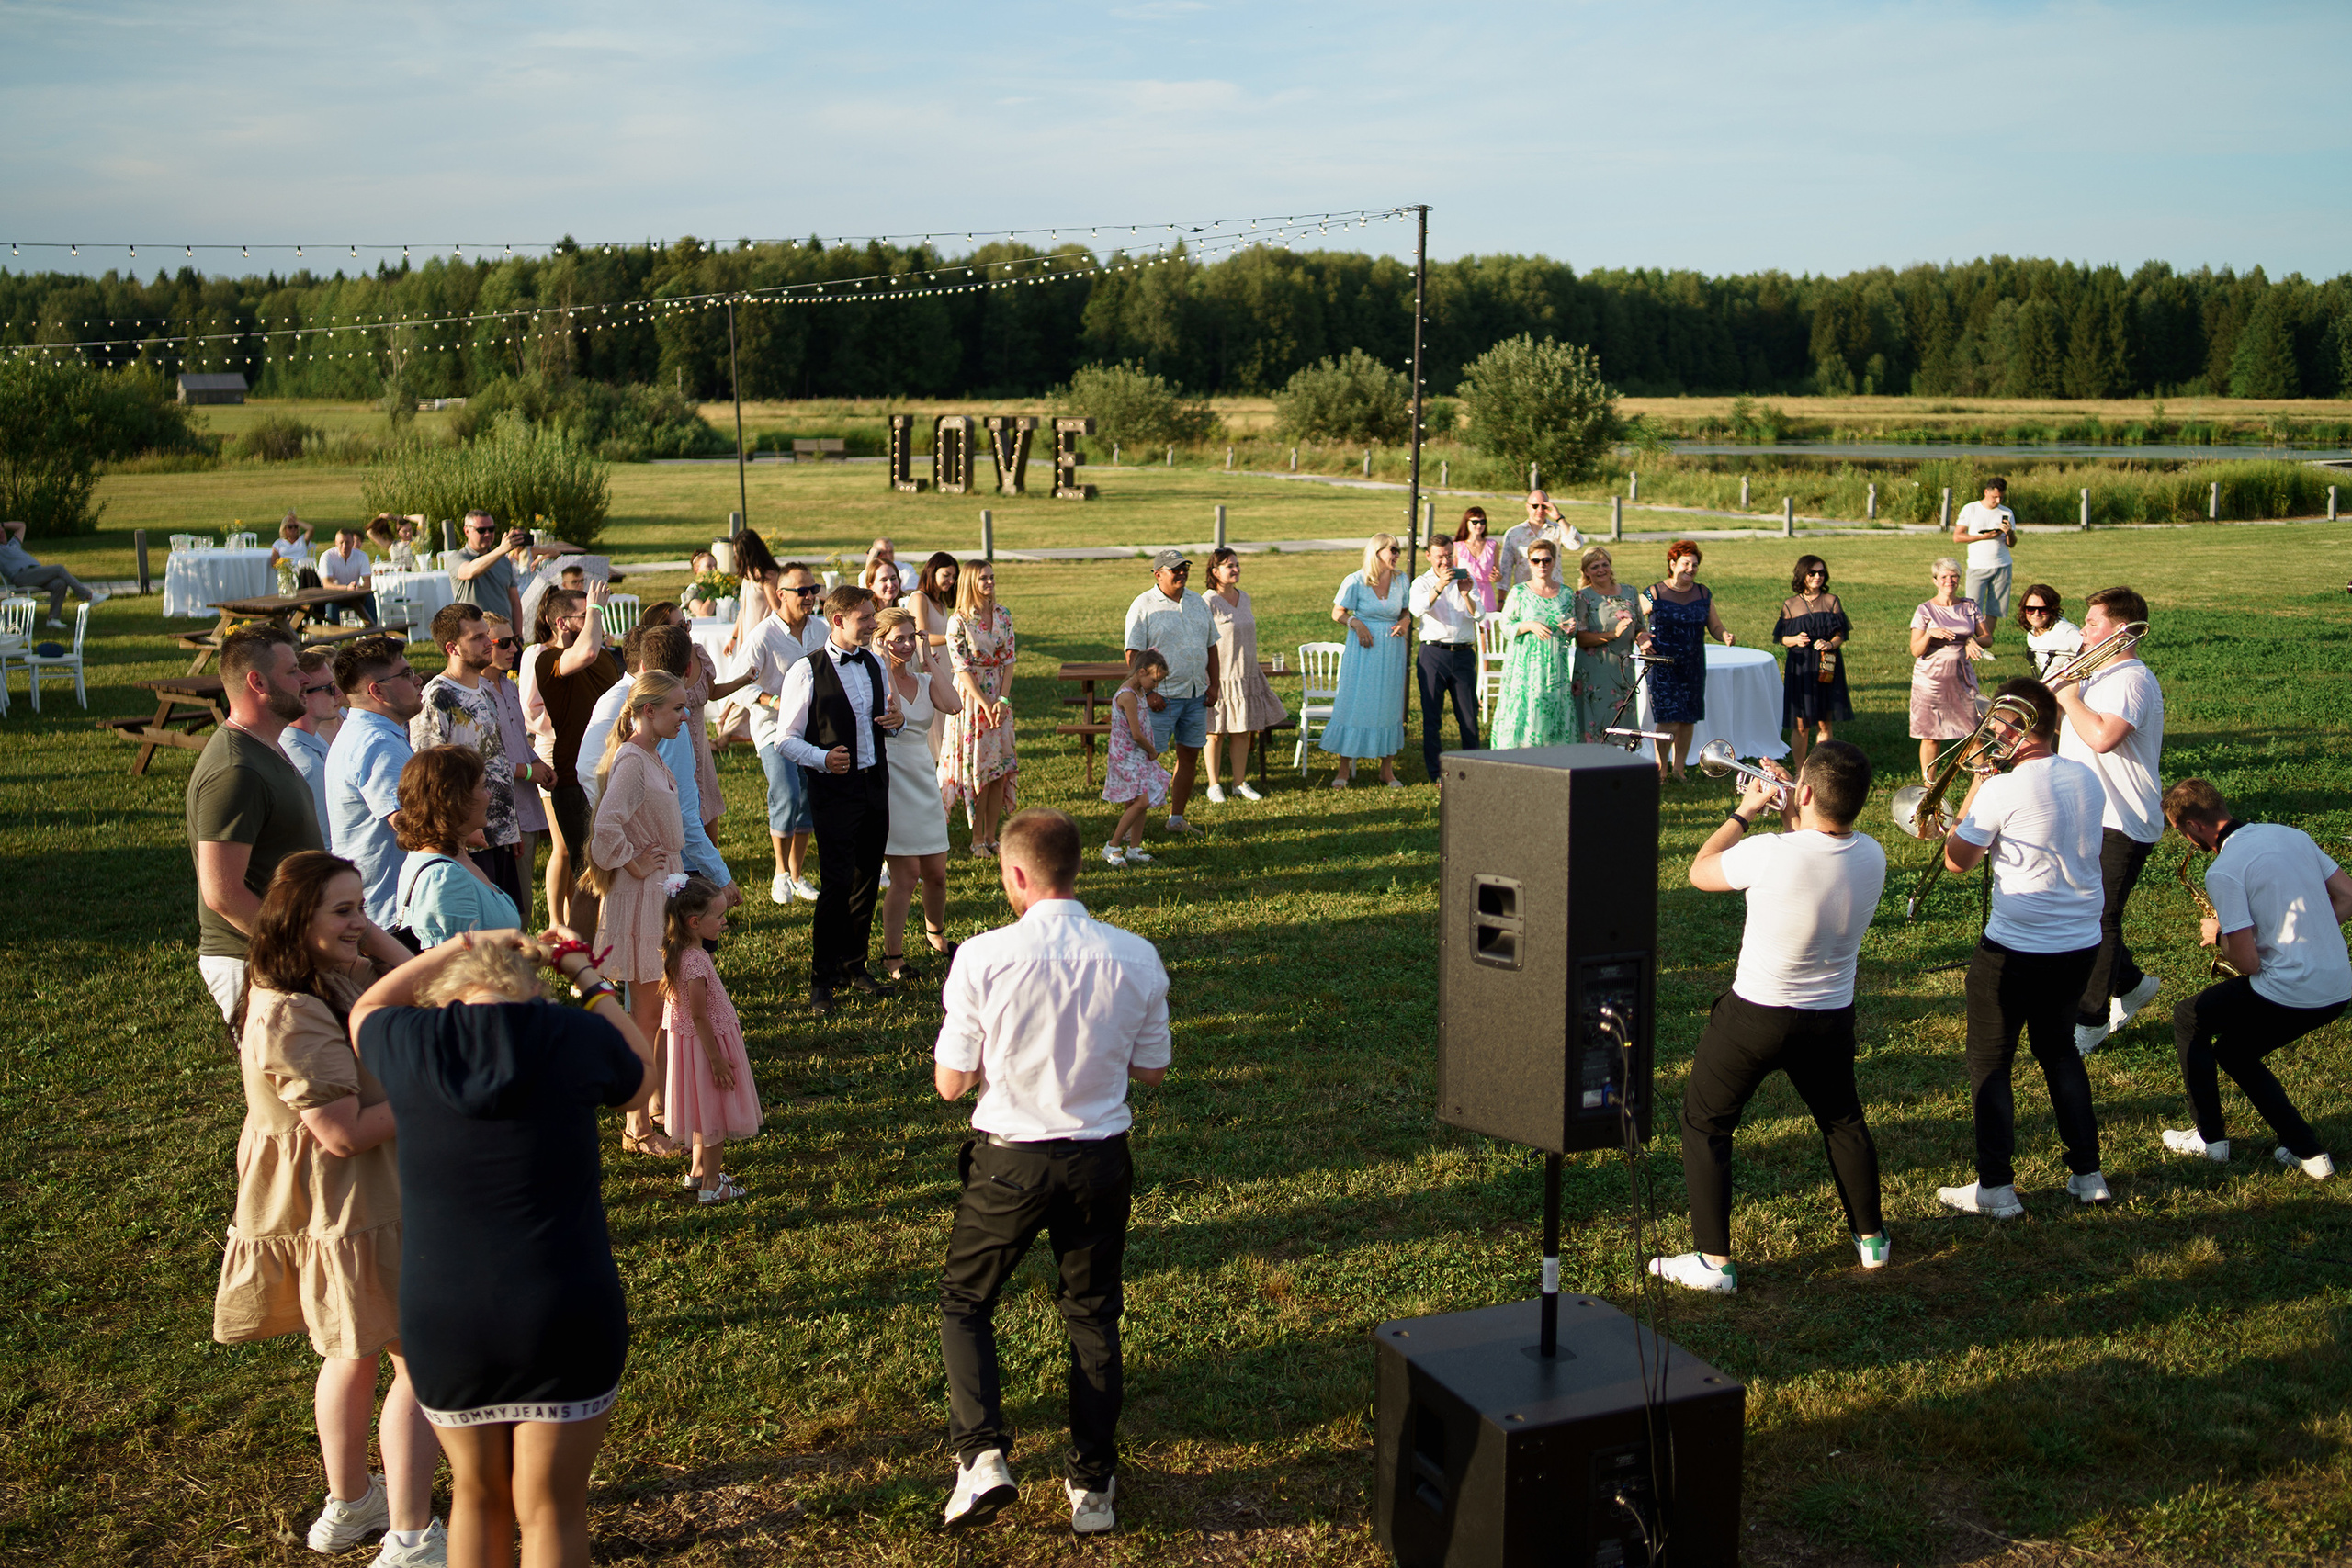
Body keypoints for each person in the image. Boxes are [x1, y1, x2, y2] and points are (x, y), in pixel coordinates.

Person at [352, 931, 653, 1568]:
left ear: (444, 996)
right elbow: (640, 1079)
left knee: (476, 1495)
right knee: (552, 1506)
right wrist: (586, 977)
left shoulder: (411, 1038)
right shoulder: (573, 1034)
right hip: (564, 1309)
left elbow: (365, 1009)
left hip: (448, 1317)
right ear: (534, 991)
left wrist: (463, 942)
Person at [933, 809, 1171, 1537]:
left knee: (966, 1300)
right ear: (1077, 868)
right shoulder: (1136, 955)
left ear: (1016, 874)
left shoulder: (982, 956)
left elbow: (950, 1083)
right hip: (1099, 1158)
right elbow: (1153, 1069)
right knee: (1093, 1314)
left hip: (1010, 1160)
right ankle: (1093, 1485)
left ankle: (982, 1457)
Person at [213, 852, 444, 1565]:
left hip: (352, 1203)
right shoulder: (290, 1010)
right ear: (295, 921)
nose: (360, 923)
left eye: (362, 906)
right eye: (343, 910)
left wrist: (362, 931)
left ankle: (352, 1501)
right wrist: (437, 1089)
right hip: (354, 1203)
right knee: (421, 1362)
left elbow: (421, 983)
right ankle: (411, 1535)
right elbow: (342, 1132)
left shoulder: (327, 976)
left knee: (354, 1350)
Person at [1649, 740, 1890, 1292]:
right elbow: (1810, 848)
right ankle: (1872, 1240)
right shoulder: (1873, 854)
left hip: (1755, 1018)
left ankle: (1714, 1263)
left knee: (1705, 1123)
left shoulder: (1768, 853)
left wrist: (1745, 811)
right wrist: (1793, 807)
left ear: (1805, 794)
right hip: (1830, 1017)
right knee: (1842, 1120)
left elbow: (1700, 870)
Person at [1938, 678, 2113, 1216]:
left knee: (1990, 1061)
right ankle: (2088, 1175)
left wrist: (1976, 788)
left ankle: (1996, 1187)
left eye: (1997, 725)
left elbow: (1957, 860)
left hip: (2014, 949)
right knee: (2059, 1051)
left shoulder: (2000, 790)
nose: (1991, 735)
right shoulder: (2086, 778)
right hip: (2080, 941)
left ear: (2018, 728)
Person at [2159, 779, 2352, 1180]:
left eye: (2179, 831)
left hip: (2290, 989)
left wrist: (2219, 935)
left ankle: (2210, 1140)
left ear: (2193, 826)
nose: (2184, 840)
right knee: (2235, 1052)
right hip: (2338, 985)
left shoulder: (2225, 870)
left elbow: (2247, 963)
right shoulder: (2292, 835)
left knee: (2189, 1016)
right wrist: (2304, 935)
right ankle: (2309, 1154)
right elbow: (2348, 896)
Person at [188, 624, 327, 1021]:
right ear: (258, 682)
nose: (305, 680)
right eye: (293, 671)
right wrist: (297, 949)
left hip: (279, 952)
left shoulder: (266, 746)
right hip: (255, 961)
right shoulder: (237, 770)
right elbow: (222, 893)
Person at [779, 585, 907, 1016]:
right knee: (836, 884)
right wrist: (822, 758)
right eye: (865, 618)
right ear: (838, 621)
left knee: (867, 877)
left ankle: (856, 966)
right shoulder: (806, 671)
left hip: (875, 785)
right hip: (834, 792)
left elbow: (885, 721)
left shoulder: (874, 662)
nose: (873, 624)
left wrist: (896, 721)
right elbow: (784, 740)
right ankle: (822, 980)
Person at [2057, 587, 2165, 1055]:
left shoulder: (2132, 680)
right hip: (2085, 814)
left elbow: (2103, 737)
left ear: (2121, 630)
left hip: (2121, 818)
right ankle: (2133, 984)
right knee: (2083, 912)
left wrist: (2067, 697)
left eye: (2092, 623)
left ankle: (2092, 1020)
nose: (2082, 630)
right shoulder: (2095, 674)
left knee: (2100, 918)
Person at [587, 670, 691, 1152]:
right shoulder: (632, 761)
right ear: (648, 711)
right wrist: (634, 860)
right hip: (644, 894)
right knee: (647, 1016)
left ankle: (655, 1104)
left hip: (661, 889)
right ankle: (637, 1127)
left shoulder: (651, 756)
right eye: (677, 708)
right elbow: (605, 829)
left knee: (661, 1010)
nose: (685, 717)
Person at [413, 603, 529, 918]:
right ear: (452, 648)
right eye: (477, 638)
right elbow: (431, 776)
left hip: (498, 833)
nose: (488, 643)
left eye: (486, 635)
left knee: (510, 921)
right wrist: (459, 833)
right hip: (466, 840)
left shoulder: (485, 691)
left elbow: (496, 761)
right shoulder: (437, 697)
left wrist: (509, 827)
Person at [521, 584, 619, 935]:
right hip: (573, 782)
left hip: (615, 772)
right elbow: (585, 652)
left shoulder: (604, 657)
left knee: (616, 874)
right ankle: (583, 957)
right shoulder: (547, 659)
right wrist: (596, 608)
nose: (595, 618)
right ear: (562, 623)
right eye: (586, 614)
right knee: (588, 878)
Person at [661, 875, 762, 1202]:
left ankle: (698, 1172)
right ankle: (711, 1187)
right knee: (714, 1116)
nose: (723, 922)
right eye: (717, 917)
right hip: (707, 1046)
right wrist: (717, 1059)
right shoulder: (694, 961)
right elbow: (699, 1015)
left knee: (702, 1111)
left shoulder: (682, 952)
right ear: (694, 922)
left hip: (694, 1046)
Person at [876, 605, 961, 981]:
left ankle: (935, 933)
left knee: (937, 873)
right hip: (891, 780)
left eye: (912, 637)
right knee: (906, 876)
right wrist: (884, 663)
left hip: (924, 777)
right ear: (881, 641)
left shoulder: (925, 681)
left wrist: (929, 661)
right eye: (899, 639)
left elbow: (954, 704)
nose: (908, 644)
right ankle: (892, 955)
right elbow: (893, 709)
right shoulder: (876, 680)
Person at [325, 635, 424, 942]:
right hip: (391, 915)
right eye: (406, 674)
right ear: (377, 691)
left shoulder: (367, 733)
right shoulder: (378, 744)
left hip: (380, 909)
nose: (417, 680)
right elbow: (409, 825)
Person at [741, 560, 829, 903]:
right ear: (781, 594)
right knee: (787, 794)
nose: (809, 597)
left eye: (813, 590)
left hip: (813, 729)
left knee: (808, 799)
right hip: (773, 730)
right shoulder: (763, 635)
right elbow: (739, 685)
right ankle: (779, 873)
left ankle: (796, 874)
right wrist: (774, 700)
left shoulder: (821, 630)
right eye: (802, 591)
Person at [1123, 549, 1220, 832]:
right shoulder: (1143, 605)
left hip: (1195, 696)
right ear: (1158, 574)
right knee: (1144, 760)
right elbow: (1133, 654)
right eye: (1175, 569)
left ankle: (1176, 819)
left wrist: (1214, 684)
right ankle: (1130, 827)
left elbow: (1211, 646)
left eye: (1185, 568)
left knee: (1189, 755)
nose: (1182, 573)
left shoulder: (1197, 602)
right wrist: (1148, 692)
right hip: (1160, 700)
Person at [394, 746, 522, 947]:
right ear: (456, 800)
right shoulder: (444, 879)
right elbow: (454, 963)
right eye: (482, 787)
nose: (489, 795)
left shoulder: (452, 858)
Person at [939, 559, 1018, 854]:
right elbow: (961, 668)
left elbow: (1009, 660)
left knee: (999, 771)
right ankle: (976, 840)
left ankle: (992, 836)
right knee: (981, 771)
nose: (990, 582)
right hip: (973, 699)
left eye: (992, 577)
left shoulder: (1003, 614)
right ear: (971, 581)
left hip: (999, 695)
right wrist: (985, 703)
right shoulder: (958, 621)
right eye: (984, 578)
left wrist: (1003, 701)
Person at [1318, 535, 1409, 786]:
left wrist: (1405, 621)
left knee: (1389, 704)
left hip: (1391, 651)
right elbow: (1337, 612)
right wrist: (1356, 623)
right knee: (1356, 702)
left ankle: (1387, 770)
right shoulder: (1355, 580)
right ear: (1377, 551)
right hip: (1362, 651)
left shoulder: (1402, 580)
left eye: (1399, 550)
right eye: (1393, 549)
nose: (1397, 555)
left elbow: (1405, 610)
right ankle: (1343, 770)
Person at [1641, 541, 1735, 783]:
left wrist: (1724, 634)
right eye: (1685, 564)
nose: (1691, 569)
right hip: (1662, 664)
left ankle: (1679, 769)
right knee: (1668, 720)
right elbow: (1633, 618)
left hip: (1693, 665)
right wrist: (1641, 637)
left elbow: (1715, 625)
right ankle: (1661, 768)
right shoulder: (1654, 593)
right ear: (1672, 564)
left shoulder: (1703, 594)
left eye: (1695, 565)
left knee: (1687, 719)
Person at [1201, 548, 1285, 803]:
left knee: (1241, 731)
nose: (1236, 569)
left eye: (1237, 564)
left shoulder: (1244, 597)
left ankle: (1239, 783)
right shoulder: (1207, 601)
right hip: (1219, 676)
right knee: (1215, 733)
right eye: (1230, 566)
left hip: (1245, 674)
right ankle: (1214, 785)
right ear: (1215, 572)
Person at [481, 612, 550, 922]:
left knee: (524, 906)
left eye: (516, 641)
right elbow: (482, 761)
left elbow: (519, 741)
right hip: (495, 816)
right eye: (505, 642)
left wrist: (536, 763)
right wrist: (528, 771)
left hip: (525, 806)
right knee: (507, 913)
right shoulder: (475, 694)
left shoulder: (509, 686)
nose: (514, 649)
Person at [1907, 558, 1992, 784]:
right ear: (1935, 581)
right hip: (1930, 681)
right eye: (1944, 577)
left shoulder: (1969, 607)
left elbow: (1988, 638)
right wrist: (1930, 634)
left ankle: (1982, 783)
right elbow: (1916, 650)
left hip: (1962, 678)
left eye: (1954, 576)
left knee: (1974, 732)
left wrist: (1973, 640)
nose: (1949, 581)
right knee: (1931, 736)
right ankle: (1929, 787)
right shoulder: (1925, 610)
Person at [1409, 535, 1482, 785]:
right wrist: (1439, 587)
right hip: (1434, 654)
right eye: (1439, 556)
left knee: (1468, 716)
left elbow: (1480, 615)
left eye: (1449, 555)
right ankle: (1436, 773)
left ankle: (1473, 769)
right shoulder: (1422, 582)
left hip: (1463, 654)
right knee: (1432, 717)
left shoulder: (1465, 578)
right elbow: (1416, 609)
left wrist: (1466, 595)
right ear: (1428, 556)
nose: (1445, 561)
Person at [1774, 555, 1852, 777]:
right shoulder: (1790, 605)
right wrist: (1795, 639)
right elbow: (1782, 638)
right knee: (1801, 724)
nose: (1818, 577)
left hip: (1825, 666)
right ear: (1802, 575)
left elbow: (1841, 634)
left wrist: (1830, 644)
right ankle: (1800, 771)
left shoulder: (1831, 601)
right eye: (1812, 573)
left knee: (1824, 722)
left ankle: (1819, 770)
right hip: (1800, 667)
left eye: (1821, 573)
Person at [1570, 546, 1649, 745]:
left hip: (1622, 670)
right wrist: (1612, 634)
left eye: (1604, 564)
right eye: (1594, 566)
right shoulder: (1583, 597)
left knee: (1621, 718)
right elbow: (1581, 638)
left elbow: (1640, 625)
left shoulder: (1630, 592)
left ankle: (1620, 759)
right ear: (1586, 572)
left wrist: (1642, 638)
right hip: (1594, 671)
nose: (1601, 570)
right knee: (1595, 723)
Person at [1102, 652, 1172, 865]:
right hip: (1127, 756)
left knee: (1141, 801)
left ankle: (1134, 847)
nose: (1155, 686)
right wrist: (1152, 750)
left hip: (1137, 755)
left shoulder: (1140, 691)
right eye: (1155, 680)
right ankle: (1112, 846)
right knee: (1141, 801)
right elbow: (1136, 734)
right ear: (1142, 672)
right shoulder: (1128, 696)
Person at [0, 518, 107, 629]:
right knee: (58, 569)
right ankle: (88, 595)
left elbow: (21, 526)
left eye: (2, 532)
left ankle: (53, 619)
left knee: (59, 583)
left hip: (35, 574)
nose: (1, 534)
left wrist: (2, 524)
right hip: (22, 576)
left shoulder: (13, 544)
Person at [278, 648, 343, 829]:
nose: (338, 693)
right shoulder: (312, 768)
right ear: (302, 696)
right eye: (329, 688)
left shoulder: (282, 740)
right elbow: (326, 838)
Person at [1952, 477, 2018, 628]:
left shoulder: (2006, 512)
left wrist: (2009, 533)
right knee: (1972, 607)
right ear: (1986, 492)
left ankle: (1986, 641)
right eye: (1995, 497)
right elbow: (1957, 537)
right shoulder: (1971, 509)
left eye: (2001, 497)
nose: (1998, 501)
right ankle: (1970, 639)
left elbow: (2012, 543)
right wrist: (1983, 537)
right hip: (1978, 566)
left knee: (1995, 610)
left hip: (2002, 565)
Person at [1497, 491, 1579, 593]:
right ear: (1527, 507)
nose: (1540, 510)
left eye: (1544, 506)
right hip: (1525, 593)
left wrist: (1559, 518)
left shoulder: (1557, 529)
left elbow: (1575, 545)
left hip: (1553, 592)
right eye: (1535, 506)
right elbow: (1505, 570)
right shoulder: (1513, 533)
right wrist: (1501, 599)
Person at [2018, 585, 2083, 681]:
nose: (2036, 614)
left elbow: (2093, 656)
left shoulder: (2067, 632)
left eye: (2043, 610)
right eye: (2030, 609)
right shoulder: (2032, 630)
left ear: (2052, 609)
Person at [318, 525, 379, 626]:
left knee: (369, 597)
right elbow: (327, 585)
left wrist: (357, 588)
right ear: (336, 543)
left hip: (355, 594)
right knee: (331, 603)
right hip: (335, 595)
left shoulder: (362, 556)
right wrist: (346, 588)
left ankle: (373, 630)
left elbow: (367, 584)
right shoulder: (327, 556)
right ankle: (334, 634)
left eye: (347, 542)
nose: (344, 546)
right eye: (341, 542)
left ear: (353, 543)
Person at [1453, 507, 1499, 613]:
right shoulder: (1457, 546)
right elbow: (1453, 571)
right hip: (1465, 592)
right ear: (1466, 523)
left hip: (1486, 595)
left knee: (1485, 622)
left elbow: (1497, 571)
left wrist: (1496, 577)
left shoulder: (1493, 545)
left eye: (1482, 522)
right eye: (1475, 522)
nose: (1479, 525)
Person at [269, 512, 319, 593]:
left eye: (295, 527)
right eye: (290, 527)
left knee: (306, 573)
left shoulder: (302, 540)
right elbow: (274, 562)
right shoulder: (279, 543)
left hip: (302, 569)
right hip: (288, 570)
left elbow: (311, 529)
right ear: (284, 529)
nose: (293, 529)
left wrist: (296, 521)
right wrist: (285, 567)